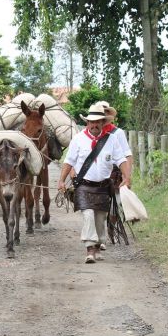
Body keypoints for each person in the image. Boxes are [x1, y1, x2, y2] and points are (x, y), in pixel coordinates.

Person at [57, 104, 131, 264]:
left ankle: (97, 246)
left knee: (100, 218)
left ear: (103, 122)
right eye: (92, 122)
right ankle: (90, 248)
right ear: (87, 123)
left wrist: (127, 176)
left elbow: (121, 159)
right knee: (88, 214)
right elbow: (69, 161)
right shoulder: (78, 139)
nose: (95, 124)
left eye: (98, 121)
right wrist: (62, 180)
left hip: (103, 187)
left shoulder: (112, 140)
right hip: (84, 185)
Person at [94, 101, 133, 250]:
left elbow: (127, 154)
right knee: (97, 207)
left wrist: (127, 176)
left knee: (115, 205)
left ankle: (111, 225)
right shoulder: (88, 133)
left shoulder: (117, 133)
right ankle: (100, 236)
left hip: (115, 174)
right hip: (96, 175)